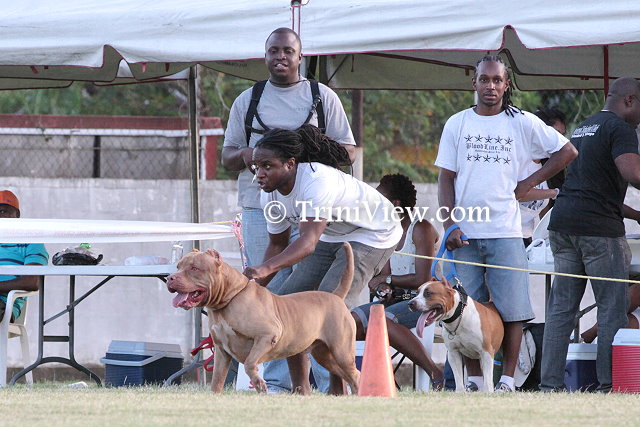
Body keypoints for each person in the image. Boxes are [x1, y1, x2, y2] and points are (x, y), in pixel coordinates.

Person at [435, 55, 577, 392]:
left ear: (506, 84)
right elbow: (445, 178)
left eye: (497, 80)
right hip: (465, 234)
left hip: (507, 232)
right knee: (464, 309)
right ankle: (473, 382)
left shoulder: (522, 121)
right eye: (484, 79)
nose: (491, 86)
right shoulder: (457, 123)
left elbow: (568, 151)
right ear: (474, 82)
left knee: (514, 311)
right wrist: (449, 225)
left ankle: (508, 382)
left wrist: (529, 182)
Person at [243, 125, 402, 393]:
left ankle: (337, 390)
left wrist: (264, 268)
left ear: (290, 164)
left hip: (374, 233)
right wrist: (249, 288)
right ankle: (301, 389)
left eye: (267, 166)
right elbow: (277, 244)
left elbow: (307, 244)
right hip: (331, 234)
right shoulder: (268, 194)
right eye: (256, 167)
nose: (259, 173)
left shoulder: (316, 182)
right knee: (287, 305)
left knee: (328, 304)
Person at [222, 27, 356, 292]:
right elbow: (227, 157)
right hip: (260, 207)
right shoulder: (247, 100)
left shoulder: (322, 97)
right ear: (265, 56)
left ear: (300, 57)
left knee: (305, 291)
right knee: (266, 289)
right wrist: (248, 155)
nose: (280, 56)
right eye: (273, 51)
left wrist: (315, 148)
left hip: (310, 207)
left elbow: (349, 151)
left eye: (288, 51)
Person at [540, 77, 640, 393]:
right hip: (599, 232)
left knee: (561, 310)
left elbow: (591, 189)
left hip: (563, 224)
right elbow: (633, 173)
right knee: (612, 309)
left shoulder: (584, 127)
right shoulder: (621, 129)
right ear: (629, 100)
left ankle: (550, 386)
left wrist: (637, 216)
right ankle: (609, 385)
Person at [351, 173, 444, 389]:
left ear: (395, 204)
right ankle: (379, 380)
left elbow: (422, 279)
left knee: (384, 321)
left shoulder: (421, 229)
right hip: (396, 301)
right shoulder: (386, 231)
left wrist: (387, 279)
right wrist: (382, 286)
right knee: (350, 322)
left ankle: (434, 371)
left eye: (379, 199)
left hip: (425, 302)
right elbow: (383, 277)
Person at [520, 108, 569, 246]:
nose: (560, 140)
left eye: (563, 135)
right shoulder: (518, 160)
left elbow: (544, 212)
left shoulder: (547, 167)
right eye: (556, 133)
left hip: (528, 238)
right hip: (506, 236)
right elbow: (518, 193)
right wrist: (555, 193)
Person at [0, 190, 48, 322]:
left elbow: (32, 282)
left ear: (17, 214)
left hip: (5, 306)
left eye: (3, 211)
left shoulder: (31, 242)